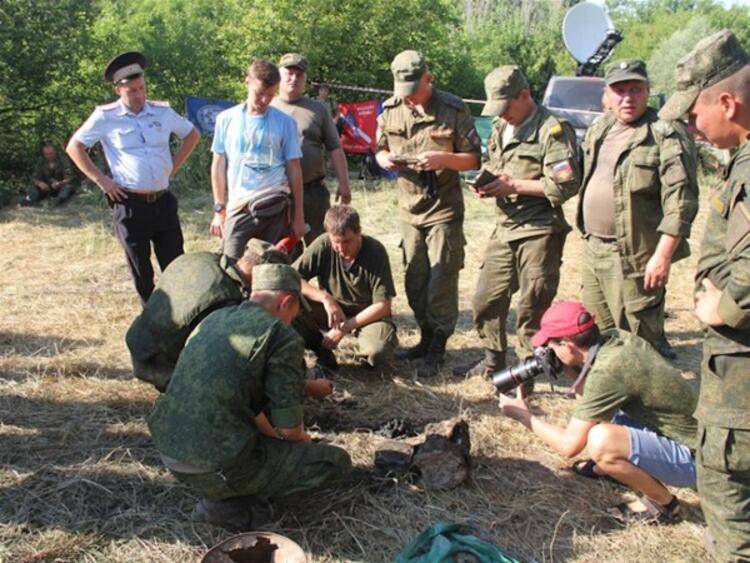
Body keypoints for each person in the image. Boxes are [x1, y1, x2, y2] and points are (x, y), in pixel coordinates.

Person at [148, 264, 351, 531]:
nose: (294, 319)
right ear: (286, 301)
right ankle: (230, 505)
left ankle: (225, 492)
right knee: (335, 462)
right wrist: (303, 443)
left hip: (170, 452)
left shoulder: (215, 319)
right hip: (217, 465)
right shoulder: (281, 336)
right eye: (295, 312)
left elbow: (241, 396)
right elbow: (290, 430)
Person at [660, 29, 750, 561]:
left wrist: (731, 301)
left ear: (726, 101)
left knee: (729, 500)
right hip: (731, 365)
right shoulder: (738, 157)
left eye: (694, 113)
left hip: (741, 372)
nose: (692, 126)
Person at [499, 301, 698, 524]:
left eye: (550, 345)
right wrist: (566, 367)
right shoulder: (615, 338)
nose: (546, 351)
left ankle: (664, 505)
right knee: (597, 420)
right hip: (681, 431)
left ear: (567, 344)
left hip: (696, 459)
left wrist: (523, 415)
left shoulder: (608, 371)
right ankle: (616, 468)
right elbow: (593, 399)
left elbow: (569, 446)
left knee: (601, 441)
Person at [454, 66, 580, 379]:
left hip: (540, 229)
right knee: (485, 299)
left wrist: (513, 186)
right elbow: (496, 166)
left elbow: (564, 185)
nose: (503, 114)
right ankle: (493, 361)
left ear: (524, 95)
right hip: (506, 227)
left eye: (507, 106)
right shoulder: (500, 125)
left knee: (532, 307)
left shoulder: (553, 129)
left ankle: (527, 373)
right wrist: (487, 183)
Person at [576, 59, 699, 360]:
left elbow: (681, 202)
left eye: (636, 89)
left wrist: (662, 256)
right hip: (594, 249)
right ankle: (614, 398)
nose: (628, 98)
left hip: (634, 256)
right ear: (607, 94)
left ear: (648, 91)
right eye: (620, 90)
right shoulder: (601, 128)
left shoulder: (664, 134)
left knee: (638, 341)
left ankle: (641, 405)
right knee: (599, 332)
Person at [375, 50, 481, 377]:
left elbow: (474, 158)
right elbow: (378, 149)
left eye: (414, 90)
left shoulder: (452, 108)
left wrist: (444, 160)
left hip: (443, 210)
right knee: (415, 279)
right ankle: (424, 336)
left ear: (428, 79)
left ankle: (438, 345)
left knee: (441, 280)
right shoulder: (391, 109)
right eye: (402, 91)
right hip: (409, 210)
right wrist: (386, 161)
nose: (408, 98)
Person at [67, 52, 201, 304]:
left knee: (176, 265)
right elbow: (75, 147)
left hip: (163, 201)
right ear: (118, 90)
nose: (139, 95)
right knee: (141, 268)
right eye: (131, 91)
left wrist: (172, 167)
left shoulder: (162, 112)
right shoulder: (105, 117)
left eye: (142, 88)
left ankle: (183, 316)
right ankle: (150, 320)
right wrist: (103, 182)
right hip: (129, 203)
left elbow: (192, 134)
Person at [126, 239, 288, 391]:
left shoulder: (201, 258)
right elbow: (225, 359)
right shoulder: (228, 298)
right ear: (263, 276)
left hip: (138, 342)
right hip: (159, 366)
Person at [209, 59, 304, 261]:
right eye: (260, 93)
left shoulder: (285, 122)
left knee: (274, 268)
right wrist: (219, 209)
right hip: (239, 207)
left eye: (271, 95)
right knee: (232, 265)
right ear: (247, 82)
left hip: (275, 205)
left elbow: (294, 169)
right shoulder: (226, 119)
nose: (265, 100)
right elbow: (218, 165)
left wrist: (298, 217)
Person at [294, 205, 398, 371]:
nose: (341, 249)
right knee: (289, 300)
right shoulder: (323, 245)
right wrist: (325, 298)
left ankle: (366, 353)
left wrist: (345, 327)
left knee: (379, 353)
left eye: (347, 242)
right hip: (332, 312)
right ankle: (322, 349)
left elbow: (383, 306)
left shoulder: (375, 251)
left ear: (359, 232)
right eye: (336, 242)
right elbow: (290, 277)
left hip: (367, 315)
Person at [271, 54, 351, 250]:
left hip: (313, 193)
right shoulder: (267, 108)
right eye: (289, 73)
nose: (294, 78)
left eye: (299, 74)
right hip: (278, 194)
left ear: (305, 79)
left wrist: (344, 183)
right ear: (279, 76)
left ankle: (325, 282)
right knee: (285, 251)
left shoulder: (318, 109)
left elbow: (335, 147)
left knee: (323, 248)